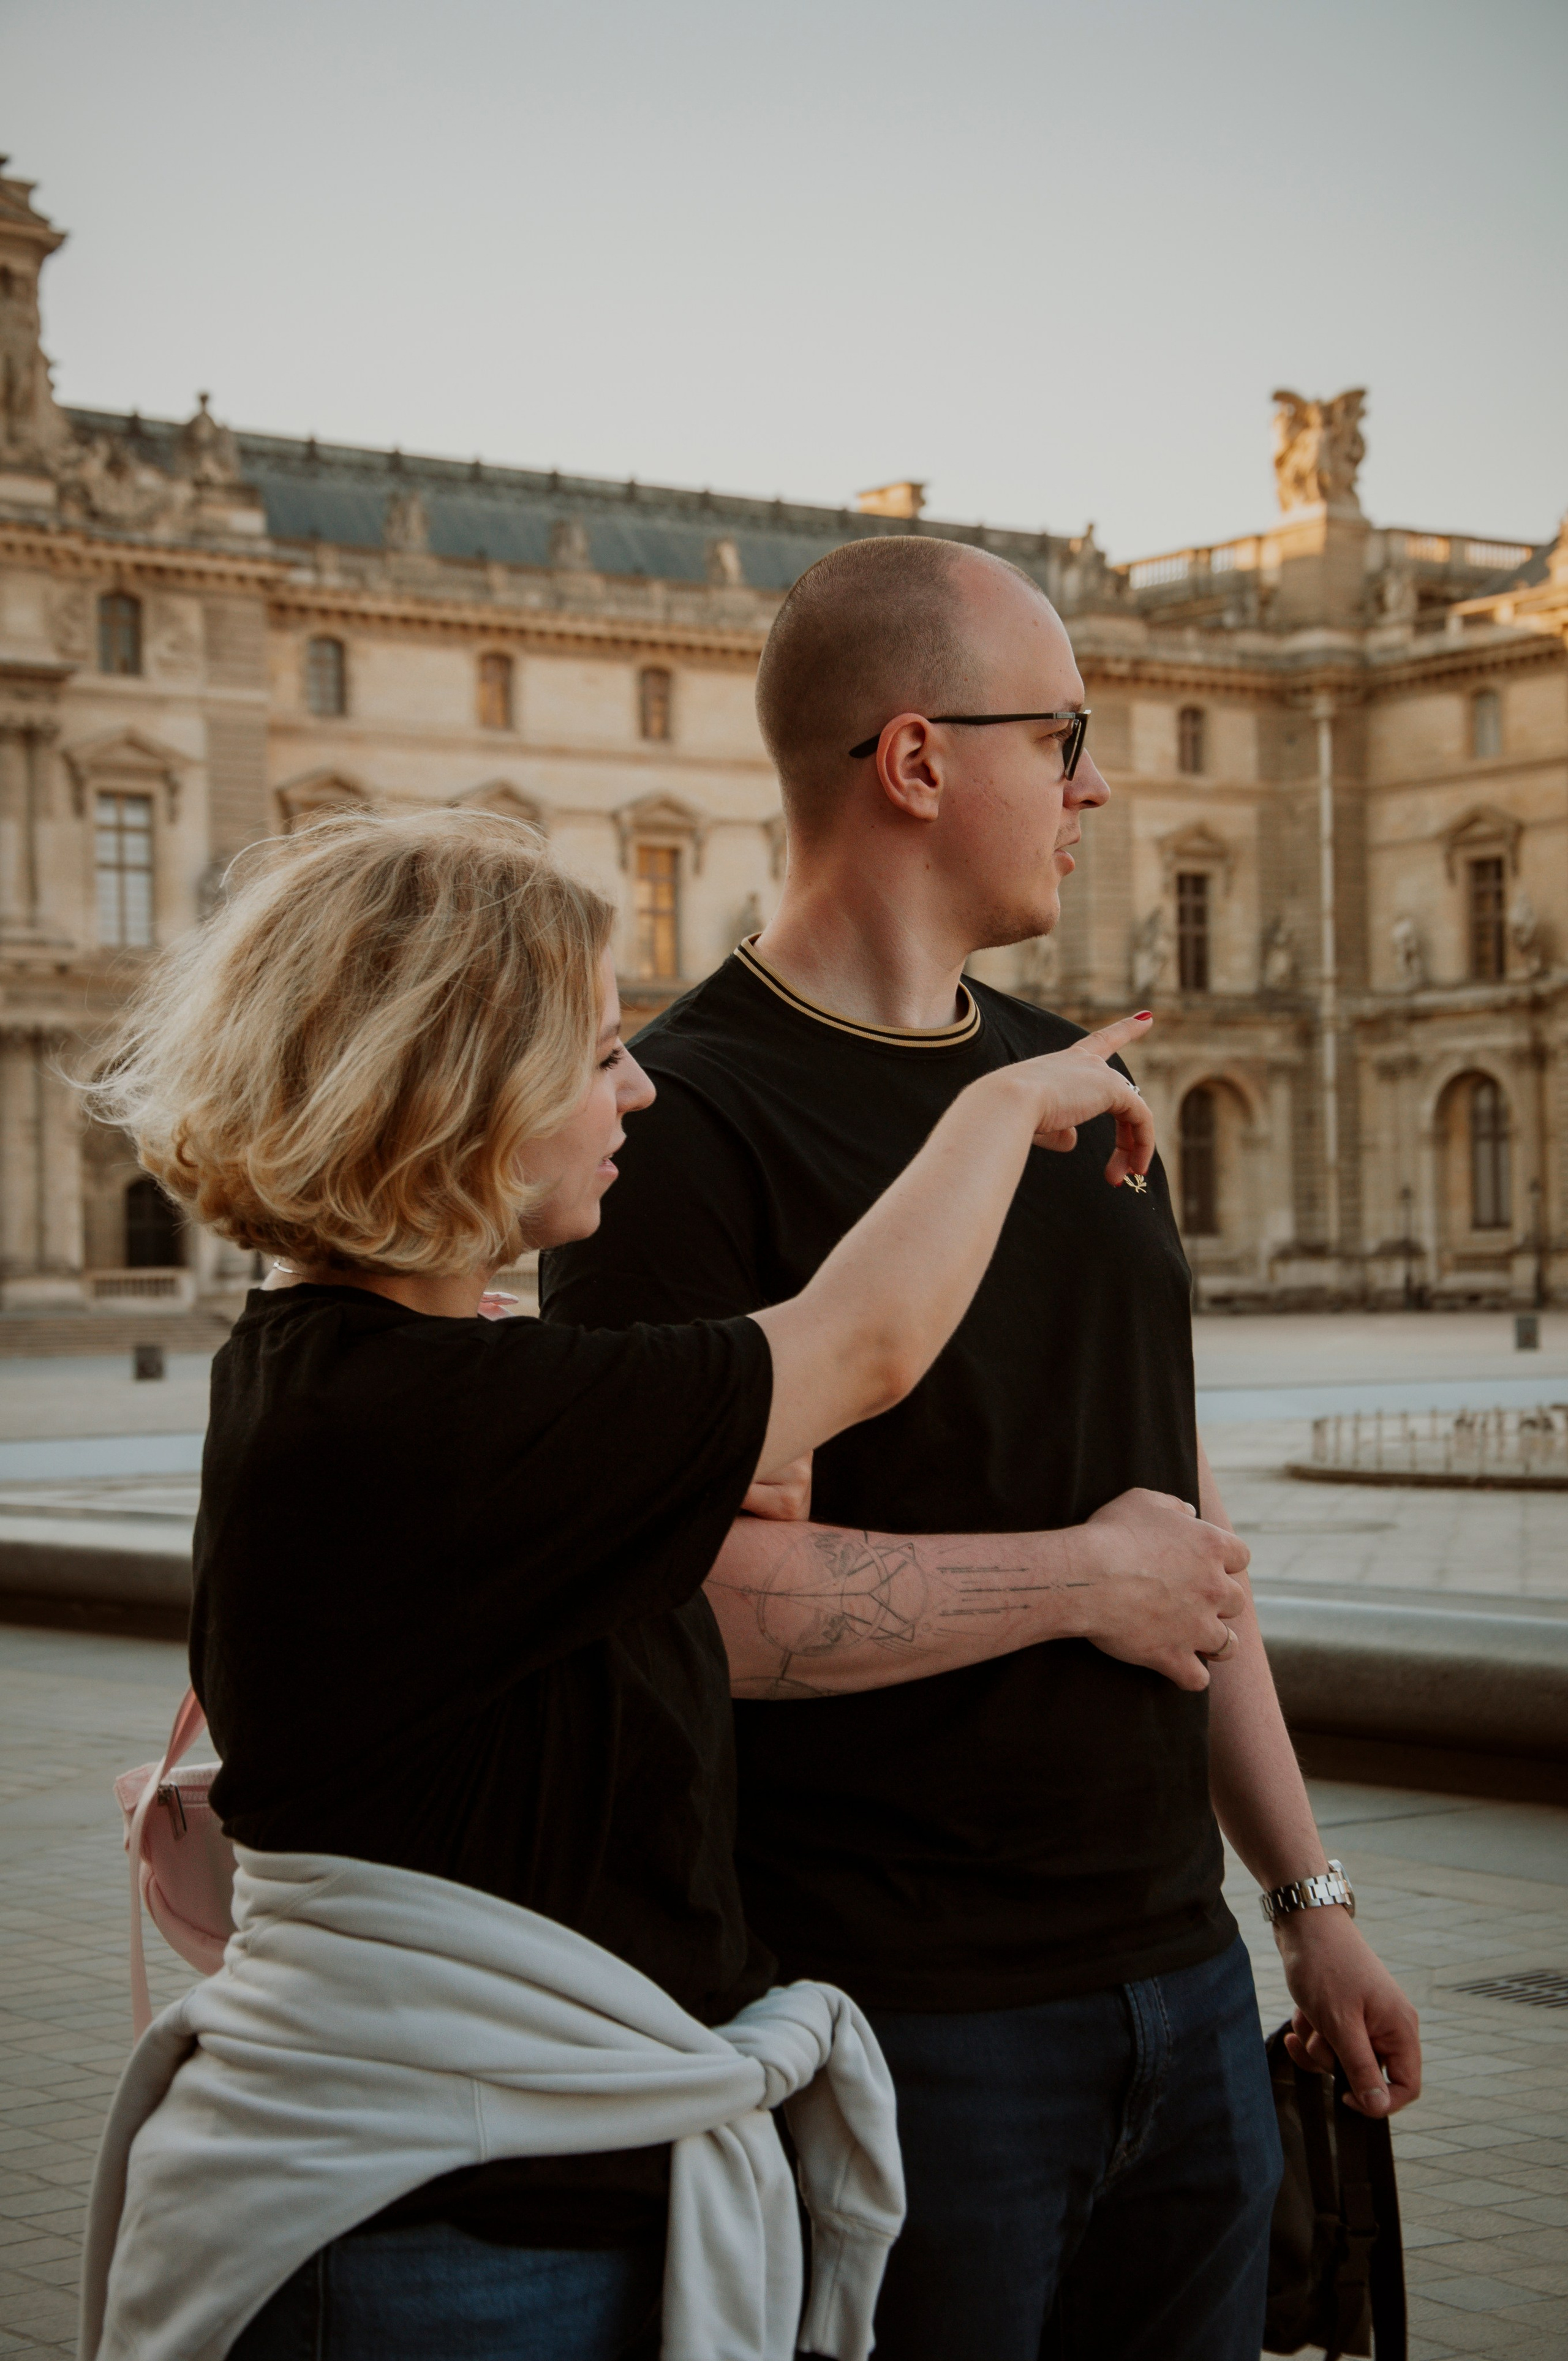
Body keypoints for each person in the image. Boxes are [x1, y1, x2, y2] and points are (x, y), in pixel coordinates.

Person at [79, 805, 1169, 2361]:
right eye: (596, 1053)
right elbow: (861, 1344)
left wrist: (691, 1445)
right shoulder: (443, 1416)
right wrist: (999, 1104)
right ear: (453, 1086)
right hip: (437, 2251)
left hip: (458, 2206)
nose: (639, 1086)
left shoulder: (372, 1373)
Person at [542, 537, 1423, 2361]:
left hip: (1185, 1987)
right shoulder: (677, 1128)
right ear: (918, 759)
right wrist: (1081, 1582)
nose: (1096, 786)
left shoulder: (1080, 1086)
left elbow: (1194, 1541)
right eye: (1064, 736)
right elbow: (691, 1602)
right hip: (888, 2023)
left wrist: (1305, 1901)